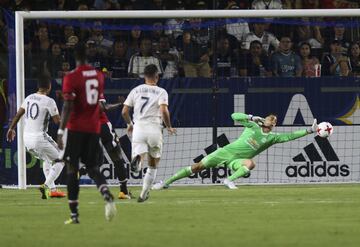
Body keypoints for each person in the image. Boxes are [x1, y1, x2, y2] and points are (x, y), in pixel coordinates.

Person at [153, 112, 318, 190]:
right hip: (224, 152)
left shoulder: (272, 137)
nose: (273, 121)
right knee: (197, 167)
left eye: (275, 121)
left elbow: (290, 136)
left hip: (235, 161)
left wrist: (309, 131)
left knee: (250, 163)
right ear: (265, 119)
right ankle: (165, 183)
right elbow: (233, 116)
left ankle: (229, 180)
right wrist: (252, 117)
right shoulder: (253, 125)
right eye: (270, 118)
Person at [56, 43, 116, 224]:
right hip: (94, 128)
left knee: (71, 169)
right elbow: (99, 103)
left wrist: (60, 130)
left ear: (75, 57)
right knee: (92, 168)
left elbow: (68, 105)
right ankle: (106, 192)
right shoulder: (98, 75)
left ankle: (74, 215)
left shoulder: (71, 77)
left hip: (75, 129)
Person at [121, 64, 176, 202]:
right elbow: (164, 111)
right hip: (154, 129)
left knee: (140, 156)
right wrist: (169, 126)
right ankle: (143, 194)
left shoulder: (136, 90)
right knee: (153, 164)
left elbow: (124, 111)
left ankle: (138, 163)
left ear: (144, 76)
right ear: (157, 77)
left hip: (138, 128)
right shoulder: (161, 92)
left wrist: (129, 124)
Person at [6, 74, 66, 198]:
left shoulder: (29, 98)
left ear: (38, 87)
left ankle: (53, 189)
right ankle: (46, 185)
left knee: (47, 159)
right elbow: (57, 122)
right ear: (49, 87)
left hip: (26, 139)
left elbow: (18, 115)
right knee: (61, 160)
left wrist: (11, 128)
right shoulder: (49, 101)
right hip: (39, 138)